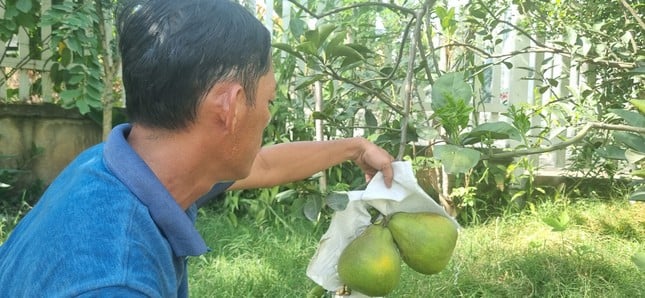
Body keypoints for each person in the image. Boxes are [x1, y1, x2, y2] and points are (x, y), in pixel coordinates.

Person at [0, 0, 394, 296]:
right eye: (269, 101)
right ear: (233, 107)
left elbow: (264, 164)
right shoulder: (115, 281)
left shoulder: (113, 165)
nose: (269, 117)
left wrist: (355, 148)